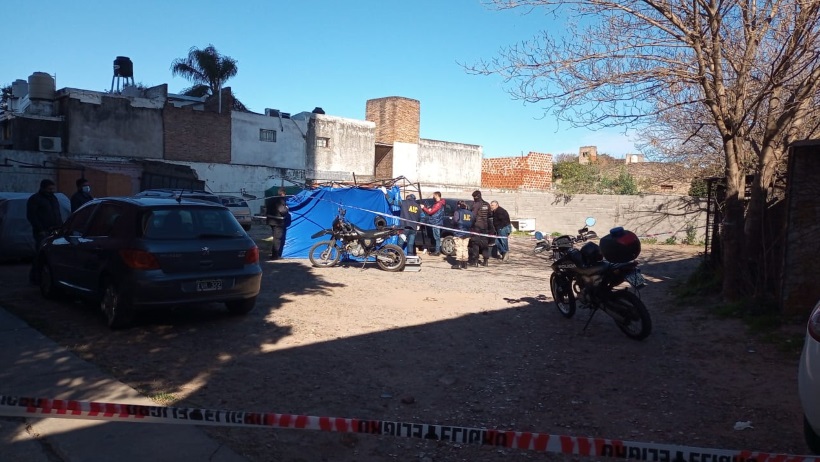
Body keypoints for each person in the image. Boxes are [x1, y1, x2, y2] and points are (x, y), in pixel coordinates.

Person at [27, 179, 63, 251]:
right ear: (43, 188)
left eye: (53, 189)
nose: (52, 191)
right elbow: (32, 216)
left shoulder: (53, 198)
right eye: (49, 189)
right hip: (43, 231)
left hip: (55, 230)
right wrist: (40, 229)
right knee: (42, 249)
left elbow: (57, 213)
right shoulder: (35, 199)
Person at [469, 190, 494, 266]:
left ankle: (475, 261)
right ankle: (486, 261)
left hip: (477, 226)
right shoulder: (487, 204)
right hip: (485, 227)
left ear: (476, 197)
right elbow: (490, 214)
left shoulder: (476, 204)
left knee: (475, 243)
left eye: (474, 197)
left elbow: (473, 216)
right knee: (484, 244)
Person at [265, 188, 290, 260]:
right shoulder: (280, 200)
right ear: (283, 193)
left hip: (271, 221)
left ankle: (274, 254)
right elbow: (282, 211)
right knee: (277, 239)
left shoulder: (271, 199)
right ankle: (275, 256)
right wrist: (287, 208)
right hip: (278, 222)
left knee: (275, 238)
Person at [419, 191, 445, 256]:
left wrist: (423, 208)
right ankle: (436, 250)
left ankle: (437, 251)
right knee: (436, 237)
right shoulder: (438, 204)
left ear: (437, 196)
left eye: (434, 196)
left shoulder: (438, 204)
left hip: (436, 222)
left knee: (437, 237)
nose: (433, 197)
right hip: (437, 222)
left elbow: (431, 212)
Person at [451, 200, 474, 269]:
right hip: (467, 232)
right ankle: (465, 263)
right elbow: (473, 221)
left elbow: (455, 221)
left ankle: (459, 263)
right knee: (465, 248)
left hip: (459, 232)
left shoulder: (457, 212)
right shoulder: (470, 213)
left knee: (459, 247)